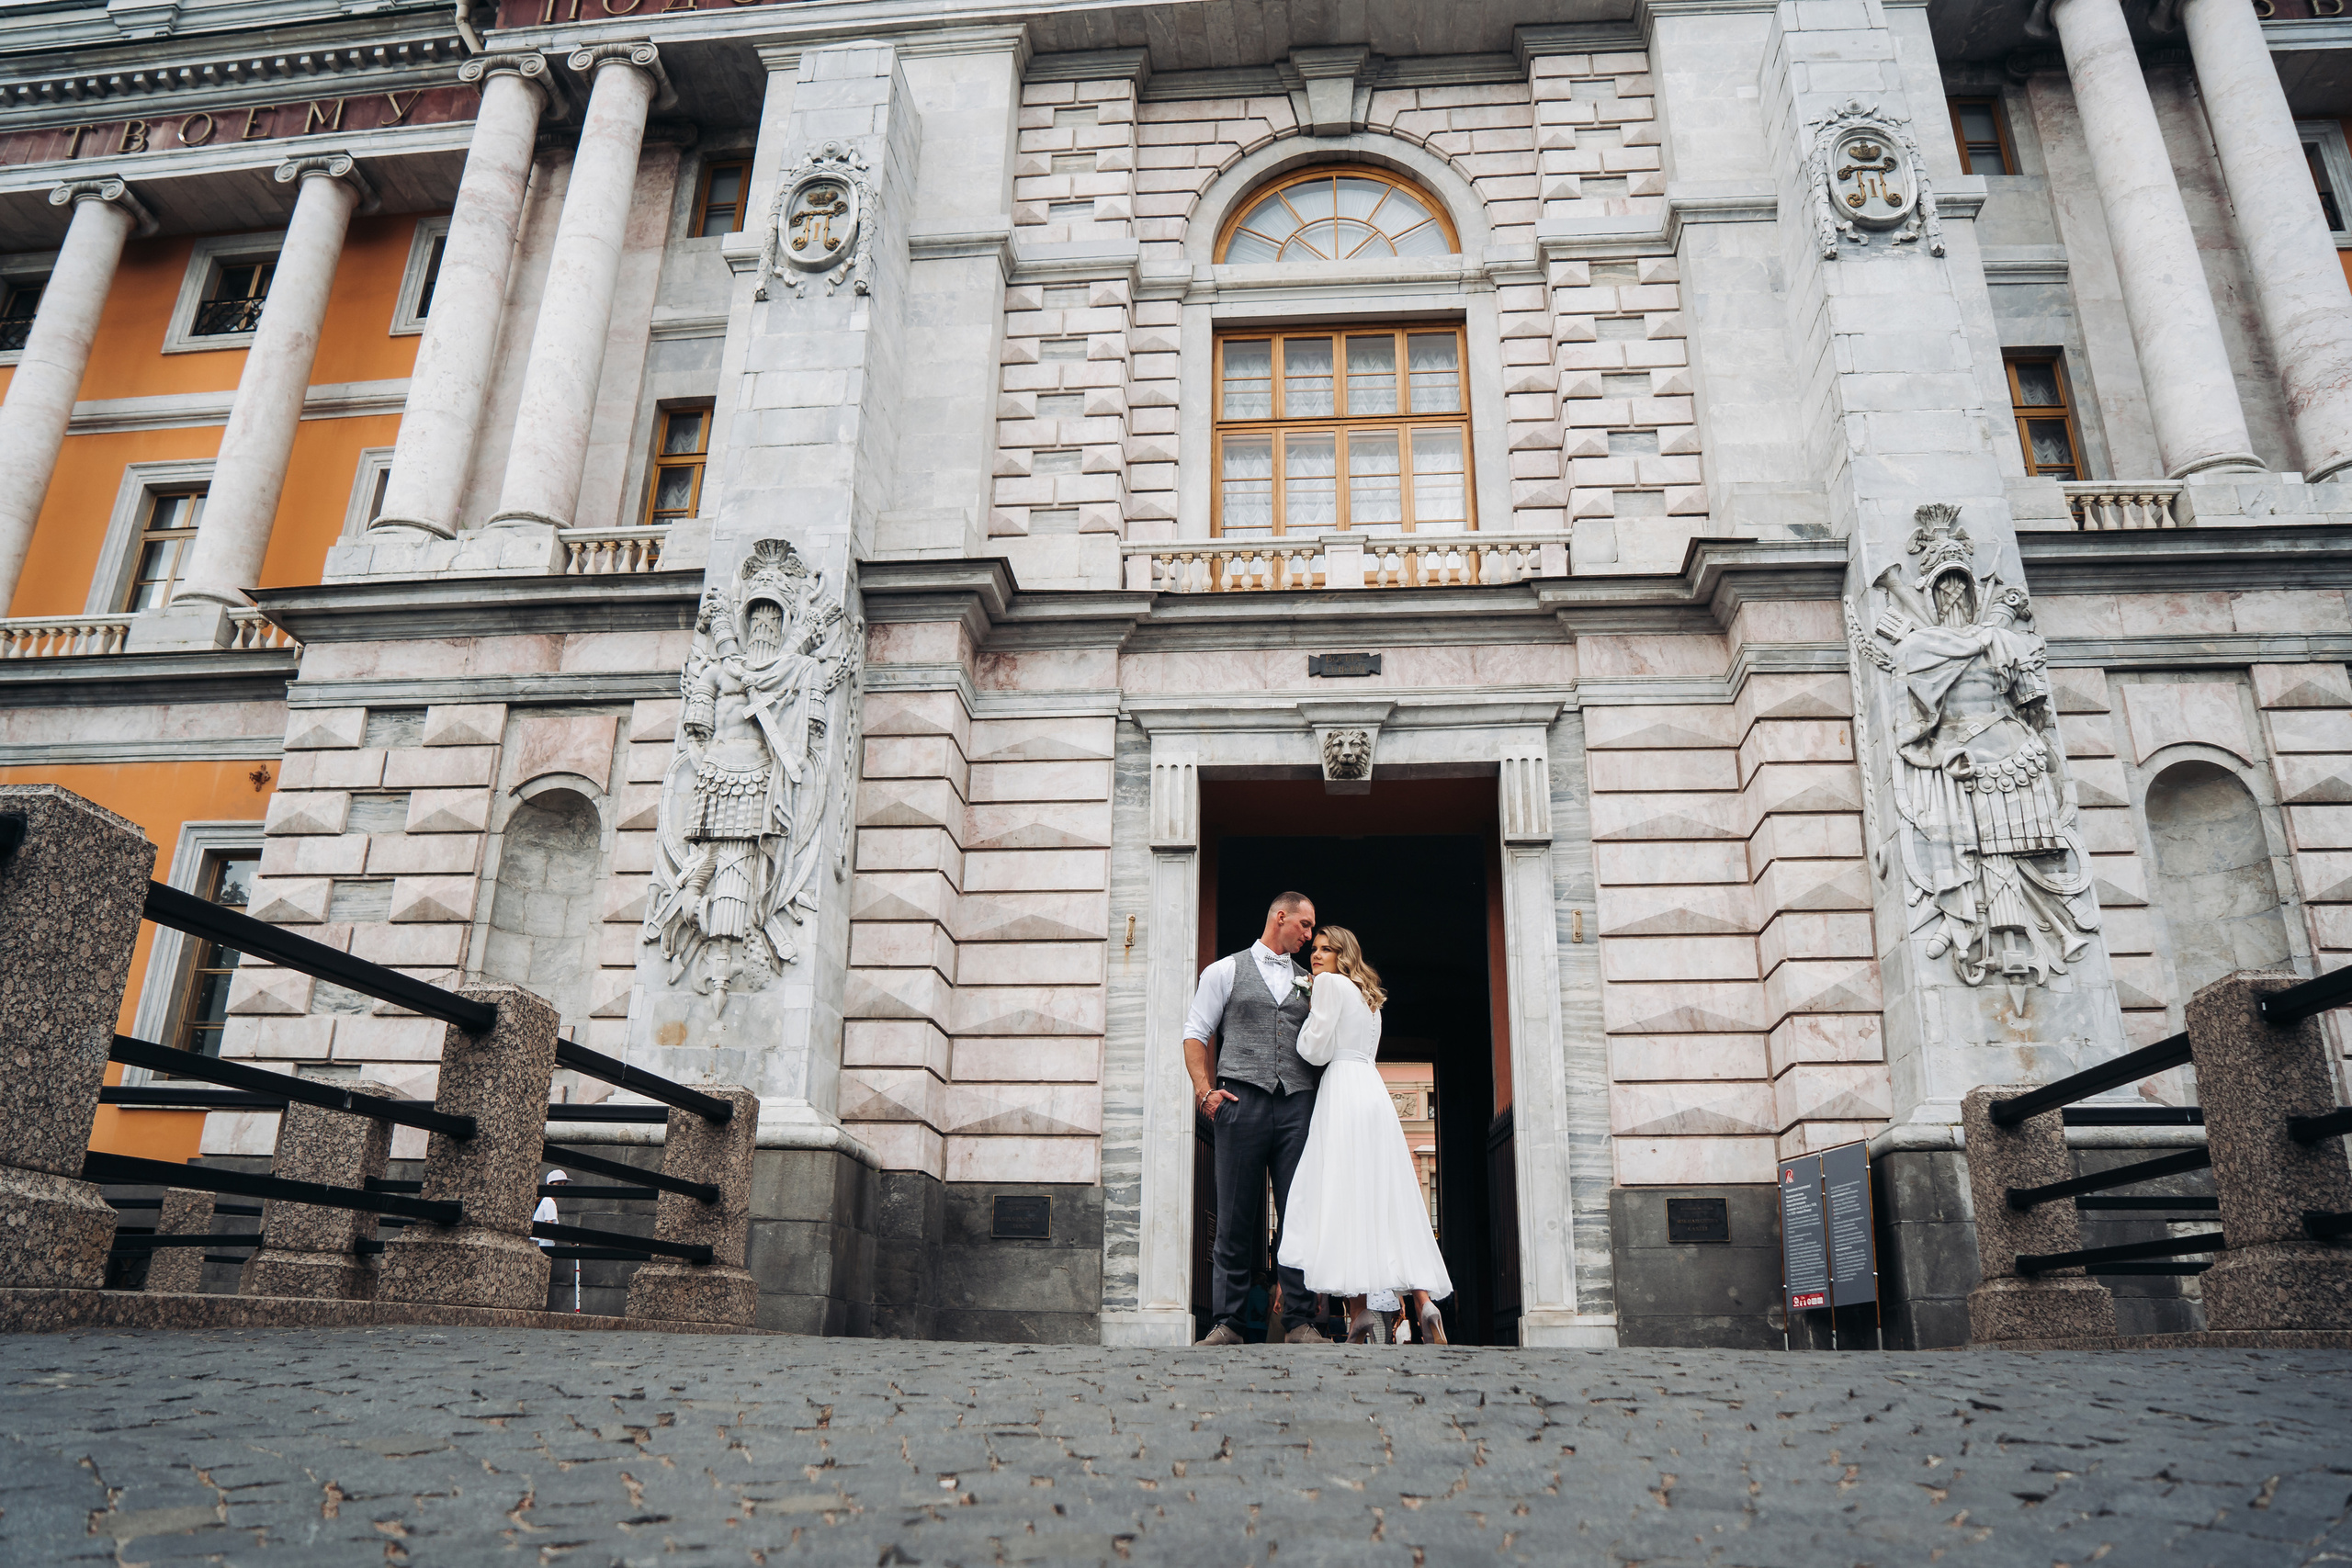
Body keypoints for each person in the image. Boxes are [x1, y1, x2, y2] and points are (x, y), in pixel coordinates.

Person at [1277, 926, 1453, 1346]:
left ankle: (1358, 1312)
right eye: (1314, 949)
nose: (1316, 956)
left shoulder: (1330, 986)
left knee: (1344, 1195)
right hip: (1374, 1093)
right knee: (1388, 1197)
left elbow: (1314, 1050)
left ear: (1343, 955)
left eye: (1326, 949)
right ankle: (1425, 1302)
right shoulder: (1370, 997)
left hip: (1342, 1093)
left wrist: (1303, 1023)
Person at [1186, 891, 1330, 1347]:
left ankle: (1301, 1322)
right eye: (1305, 926)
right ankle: (1228, 1323)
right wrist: (1203, 1091)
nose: (1310, 936)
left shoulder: (1312, 983)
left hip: (1297, 1104)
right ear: (1280, 916)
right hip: (1239, 1101)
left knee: (1299, 1214)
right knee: (1233, 1217)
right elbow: (1195, 1033)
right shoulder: (1225, 970)